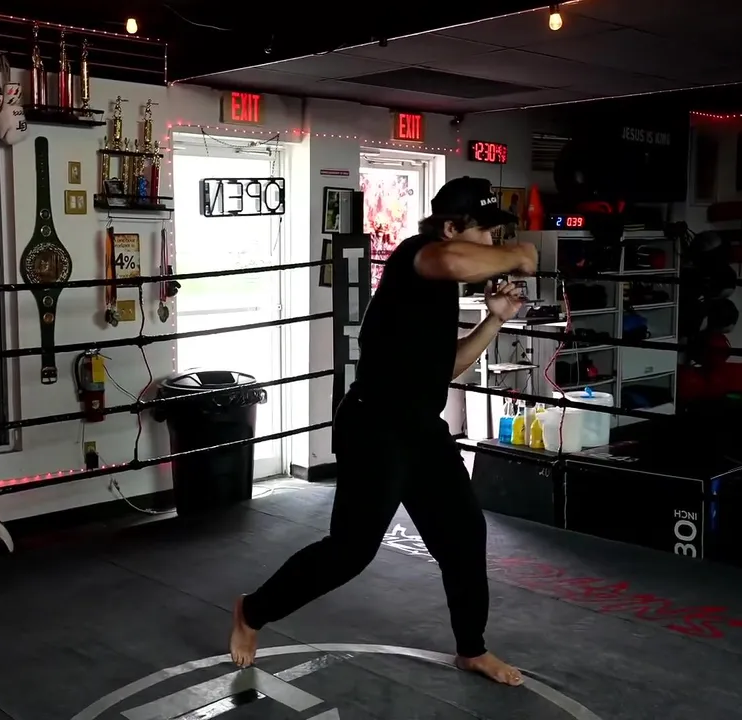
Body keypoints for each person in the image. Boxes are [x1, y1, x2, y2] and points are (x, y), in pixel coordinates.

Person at [229, 177, 539, 685]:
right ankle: (252, 611)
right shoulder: (418, 256)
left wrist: (494, 320)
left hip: (420, 429)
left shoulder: (440, 288)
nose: (492, 243)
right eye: (485, 232)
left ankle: (471, 648)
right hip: (375, 426)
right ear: (450, 229)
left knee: (464, 535)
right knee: (350, 552)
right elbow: (456, 261)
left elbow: (445, 367)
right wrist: (520, 253)